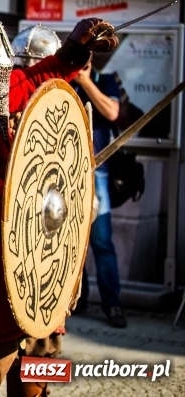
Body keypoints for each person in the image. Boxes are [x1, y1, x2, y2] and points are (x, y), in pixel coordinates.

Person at [0, 0, 118, 397]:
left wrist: (74, 49)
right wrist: (26, 199)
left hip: (16, 255)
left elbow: (31, 81)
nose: (4, 50)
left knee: (35, 366)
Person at [5, 24, 67, 397]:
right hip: (11, 253)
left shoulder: (66, 114)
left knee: (44, 358)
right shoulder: (4, 115)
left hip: (52, 257)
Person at [72, 55, 127, 329]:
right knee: (68, 239)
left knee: (102, 241)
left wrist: (84, 80)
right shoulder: (64, 82)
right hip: (68, 173)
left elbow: (112, 112)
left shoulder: (105, 81)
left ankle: (112, 303)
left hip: (98, 172)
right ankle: (77, 299)